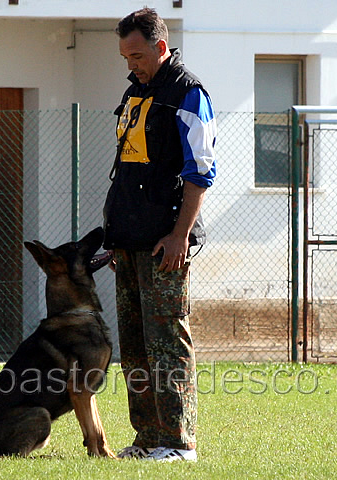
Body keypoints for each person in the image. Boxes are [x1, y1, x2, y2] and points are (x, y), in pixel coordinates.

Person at [103, 8, 216, 462]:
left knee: (167, 339)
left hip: (164, 241)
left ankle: (179, 442)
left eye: (137, 55)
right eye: (125, 57)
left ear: (161, 47)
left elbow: (201, 171)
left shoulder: (189, 93)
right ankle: (148, 437)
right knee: (134, 344)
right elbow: (128, 172)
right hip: (128, 239)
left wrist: (180, 235)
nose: (131, 64)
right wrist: (114, 235)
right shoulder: (135, 93)